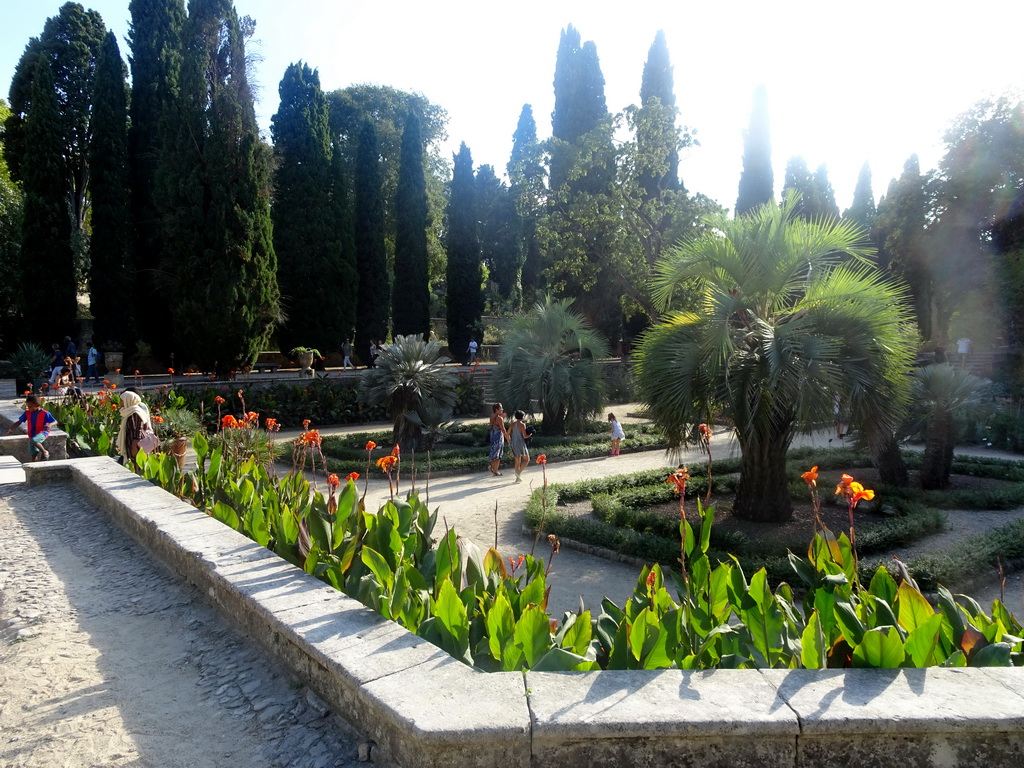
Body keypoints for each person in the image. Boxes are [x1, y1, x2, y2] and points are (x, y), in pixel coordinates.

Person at [5, 394, 57, 461]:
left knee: (34, 441)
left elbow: (54, 421)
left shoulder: (45, 413)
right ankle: (35, 467)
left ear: (37, 405)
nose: (29, 408)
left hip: (42, 432)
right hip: (32, 434)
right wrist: (11, 429)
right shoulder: (27, 413)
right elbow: (19, 422)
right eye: (28, 407)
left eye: (31, 407)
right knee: (33, 454)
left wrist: (49, 425)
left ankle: (45, 452)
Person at [116, 389, 153, 469]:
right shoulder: (129, 411)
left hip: (135, 443)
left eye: (122, 400)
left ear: (128, 400)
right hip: (130, 441)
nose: (120, 402)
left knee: (136, 464)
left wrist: (134, 447)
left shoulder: (135, 412)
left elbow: (138, 431)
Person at [488, 402, 511, 476]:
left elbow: (494, 422)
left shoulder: (492, 416)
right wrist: (508, 437)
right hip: (498, 437)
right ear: (497, 409)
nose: (502, 409)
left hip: (492, 436)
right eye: (501, 408)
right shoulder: (500, 419)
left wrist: (501, 415)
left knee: (493, 453)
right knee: (498, 455)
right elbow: (503, 429)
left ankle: (492, 467)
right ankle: (496, 470)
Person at [510, 409, 530, 482]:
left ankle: (517, 478)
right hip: (521, 443)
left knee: (517, 461)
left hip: (514, 443)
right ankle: (518, 473)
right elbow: (524, 436)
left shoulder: (512, 424)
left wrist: (509, 440)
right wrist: (530, 435)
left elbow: (508, 433)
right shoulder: (522, 425)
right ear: (522, 417)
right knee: (526, 459)